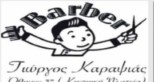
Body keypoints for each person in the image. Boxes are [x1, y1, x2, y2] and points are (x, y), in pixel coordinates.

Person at [2, 17, 139, 55]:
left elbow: (100, 45)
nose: (84, 38)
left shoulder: (85, 48)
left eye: (87, 34)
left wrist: (119, 40)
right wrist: (24, 36)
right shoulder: (59, 47)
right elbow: (43, 43)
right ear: (58, 40)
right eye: (73, 36)